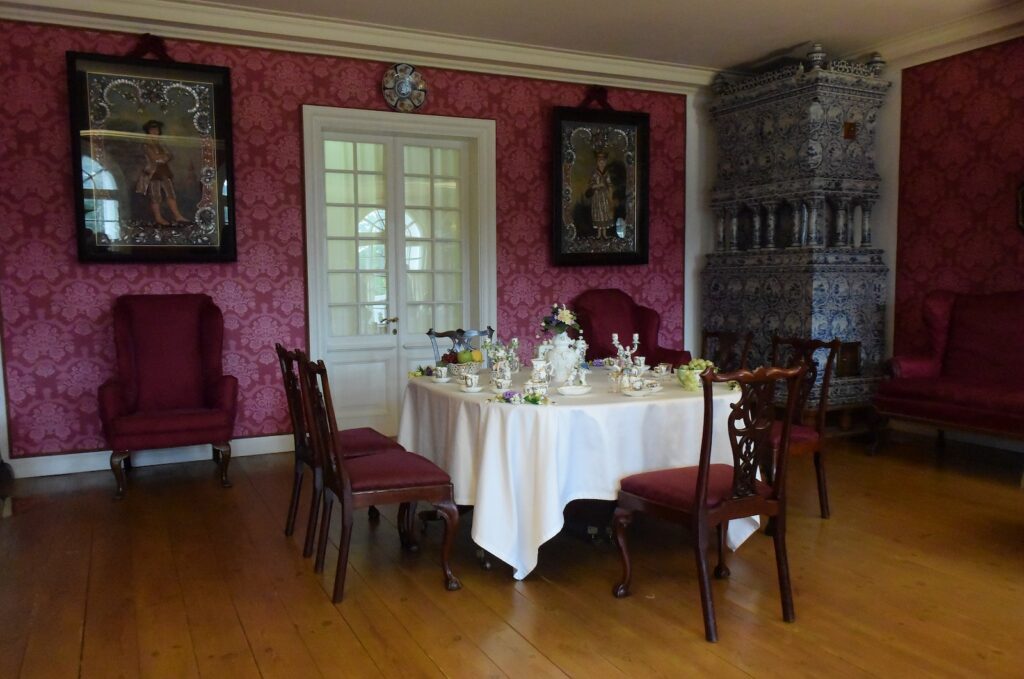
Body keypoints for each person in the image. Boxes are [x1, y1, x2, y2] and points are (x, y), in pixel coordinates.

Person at [135, 120, 187, 225]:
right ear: (148, 131)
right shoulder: (146, 144)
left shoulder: (161, 143)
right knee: (155, 195)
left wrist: (163, 157)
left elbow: (169, 155)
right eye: (152, 130)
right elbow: (154, 158)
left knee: (170, 193)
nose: (154, 131)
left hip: (164, 171)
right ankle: (158, 218)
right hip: (153, 172)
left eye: (156, 129)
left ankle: (177, 216)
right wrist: (162, 157)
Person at [586, 151, 615, 238]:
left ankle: (604, 234)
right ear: (597, 163)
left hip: (605, 197)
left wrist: (608, 189)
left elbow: (609, 184)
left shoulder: (607, 174)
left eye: (603, 162)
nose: (601, 164)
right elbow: (590, 184)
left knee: (605, 213)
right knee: (598, 213)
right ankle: (599, 234)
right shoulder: (594, 173)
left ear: (605, 162)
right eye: (600, 162)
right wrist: (598, 185)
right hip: (597, 196)